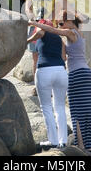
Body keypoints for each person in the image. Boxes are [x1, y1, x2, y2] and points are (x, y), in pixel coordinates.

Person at [29, 11, 91, 152]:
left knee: (76, 111)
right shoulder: (79, 33)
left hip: (76, 74)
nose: (60, 26)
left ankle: (82, 145)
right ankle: (89, 144)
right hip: (84, 72)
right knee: (86, 110)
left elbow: (53, 30)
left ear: (69, 22)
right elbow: (63, 57)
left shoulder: (70, 32)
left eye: (61, 23)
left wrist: (35, 24)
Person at [26, 19, 68, 148]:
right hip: (61, 71)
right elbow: (64, 58)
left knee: (46, 107)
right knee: (60, 107)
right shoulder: (59, 39)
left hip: (45, 70)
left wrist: (26, 41)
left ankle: (53, 141)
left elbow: (39, 33)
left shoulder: (42, 33)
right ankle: (63, 140)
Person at [24, 0, 63, 85]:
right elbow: (28, 6)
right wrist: (31, 19)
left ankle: (56, 83)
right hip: (35, 24)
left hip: (50, 25)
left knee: (53, 55)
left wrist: (46, 22)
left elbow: (58, 6)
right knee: (35, 56)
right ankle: (37, 85)